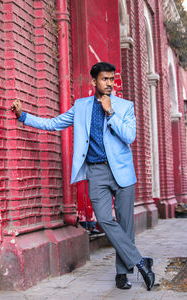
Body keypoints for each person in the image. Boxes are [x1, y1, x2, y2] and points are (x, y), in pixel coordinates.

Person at [11, 62, 155, 291]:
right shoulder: (81, 107)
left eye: (112, 79)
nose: (109, 83)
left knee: (125, 225)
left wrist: (111, 111)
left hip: (122, 173)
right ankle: (140, 261)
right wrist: (23, 116)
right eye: (104, 79)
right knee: (104, 219)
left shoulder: (125, 106)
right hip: (96, 171)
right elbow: (54, 123)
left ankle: (122, 274)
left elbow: (129, 137)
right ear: (94, 81)